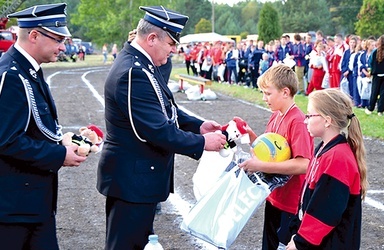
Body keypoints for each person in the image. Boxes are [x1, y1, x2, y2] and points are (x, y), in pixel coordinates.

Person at [96, 6, 226, 250]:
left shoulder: (142, 65)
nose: (173, 49)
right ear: (152, 38)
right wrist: (202, 143)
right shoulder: (133, 72)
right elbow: (156, 129)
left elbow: (165, 108)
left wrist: (198, 126)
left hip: (136, 179)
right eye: (170, 43)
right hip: (132, 181)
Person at [0, 3, 87, 249]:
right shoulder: (12, 76)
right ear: (35, 35)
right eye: (58, 38)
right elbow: (7, 140)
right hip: (13, 210)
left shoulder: (29, 70)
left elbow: (31, 127)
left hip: (32, 204)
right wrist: (59, 154)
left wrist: (63, 141)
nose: (63, 46)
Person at [239, 64, 313, 249]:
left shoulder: (297, 121)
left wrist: (261, 166)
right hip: (274, 196)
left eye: (268, 93)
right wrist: (251, 137)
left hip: (291, 202)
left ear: (285, 92)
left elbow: (304, 164)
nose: (264, 98)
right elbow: (271, 153)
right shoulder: (276, 115)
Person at [286, 88, 367, 249]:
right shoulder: (324, 149)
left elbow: (326, 210)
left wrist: (300, 242)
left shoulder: (338, 158)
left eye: (309, 115)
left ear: (327, 120)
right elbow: (309, 197)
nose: (305, 120)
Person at [365, 34, 384, 116]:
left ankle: (370, 108)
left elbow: (370, 62)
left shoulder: (374, 51)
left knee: (374, 92)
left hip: (376, 74)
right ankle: (380, 110)